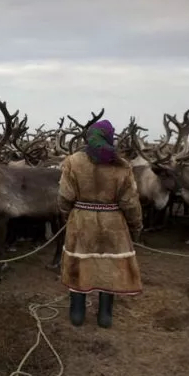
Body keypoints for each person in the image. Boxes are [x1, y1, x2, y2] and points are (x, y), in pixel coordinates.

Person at [57, 119, 143, 329]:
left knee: (79, 265)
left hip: (81, 221)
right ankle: (105, 316)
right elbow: (130, 201)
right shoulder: (121, 165)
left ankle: (77, 313)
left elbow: (64, 196)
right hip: (112, 223)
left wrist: (67, 216)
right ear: (109, 137)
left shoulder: (73, 161)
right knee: (110, 267)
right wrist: (136, 226)